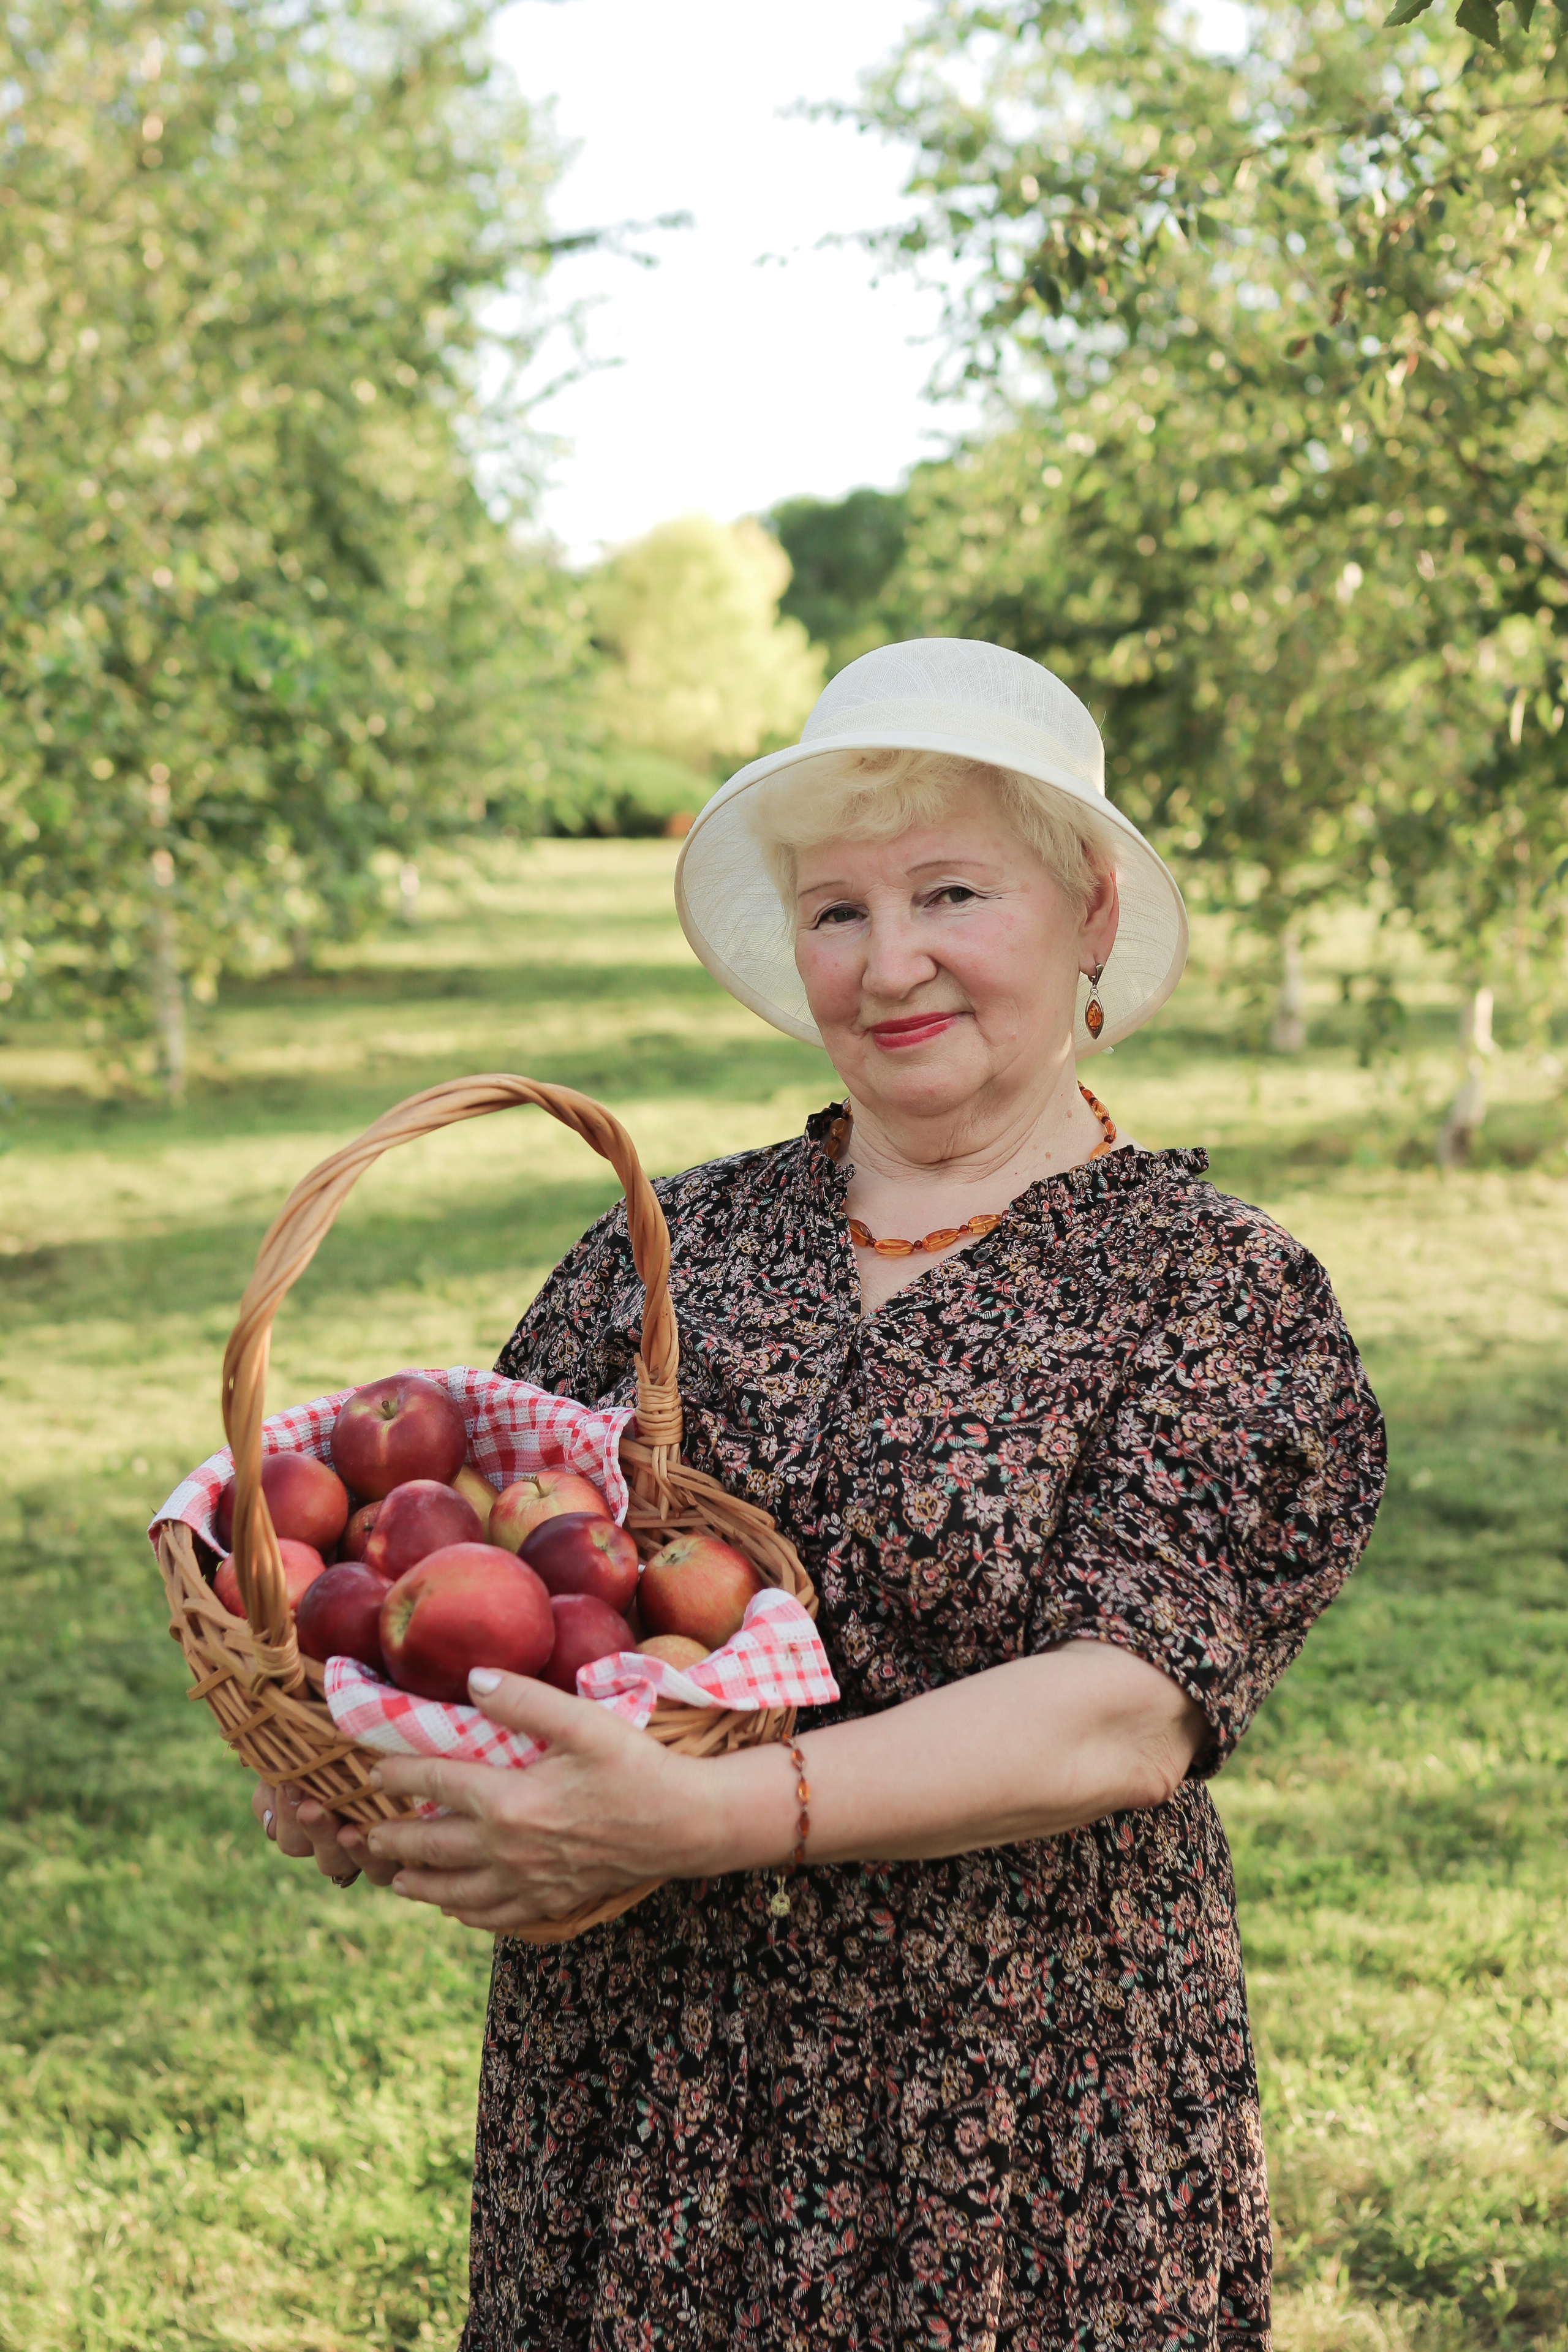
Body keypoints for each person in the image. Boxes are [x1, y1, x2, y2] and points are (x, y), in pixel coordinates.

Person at [257, 639, 1386, 2350]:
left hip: (1014, 2113)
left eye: (952, 893)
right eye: (838, 910)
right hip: (639, 2091)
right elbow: (508, 1594)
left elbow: (1125, 1711)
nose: (890, 961)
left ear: (1089, 910)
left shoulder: (1215, 1291)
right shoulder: (666, 1251)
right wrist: (377, 1769)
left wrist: (706, 1819)